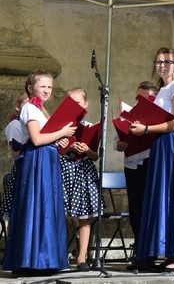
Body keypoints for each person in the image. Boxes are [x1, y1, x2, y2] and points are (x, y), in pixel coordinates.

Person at [129, 47, 174, 272]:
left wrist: (147, 128)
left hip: (170, 144)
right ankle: (169, 251)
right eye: (159, 62)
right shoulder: (163, 89)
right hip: (160, 144)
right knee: (163, 196)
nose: (162, 65)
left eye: (167, 62)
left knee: (173, 194)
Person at [3, 69, 76, 275]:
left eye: (49, 87)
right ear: (30, 88)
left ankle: (46, 259)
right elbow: (36, 139)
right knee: (36, 207)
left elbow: (46, 136)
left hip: (47, 160)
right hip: (37, 161)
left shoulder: (41, 110)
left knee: (47, 208)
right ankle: (31, 260)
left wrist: (58, 138)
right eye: (42, 86)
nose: (47, 90)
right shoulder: (29, 108)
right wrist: (62, 132)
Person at [114, 81, 157, 270]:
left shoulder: (157, 117)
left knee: (149, 211)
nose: (142, 102)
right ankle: (140, 254)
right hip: (131, 165)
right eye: (139, 98)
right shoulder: (129, 115)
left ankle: (149, 256)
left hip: (149, 164)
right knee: (135, 213)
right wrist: (120, 145)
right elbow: (118, 140)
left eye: (147, 99)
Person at [59, 87, 102, 271]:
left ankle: (82, 256)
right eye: (70, 103)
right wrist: (66, 147)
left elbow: (95, 156)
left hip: (83, 171)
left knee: (85, 216)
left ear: (85, 104)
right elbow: (53, 151)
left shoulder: (90, 126)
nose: (75, 106)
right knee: (60, 213)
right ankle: (59, 254)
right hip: (64, 170)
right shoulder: (59, 126)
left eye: (78, 103)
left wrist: (87, 150)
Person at [2, 91, 28, 221]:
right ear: (18, 107)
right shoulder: (15, 125)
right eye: (27, 105)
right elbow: (16, 155)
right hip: (24, 171)